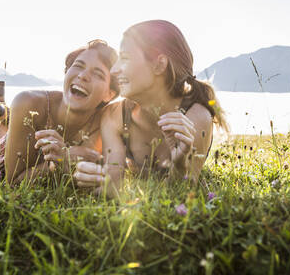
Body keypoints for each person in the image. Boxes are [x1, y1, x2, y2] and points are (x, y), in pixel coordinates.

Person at [73, 20, 228, 196]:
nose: (114, 70)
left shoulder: (195, 117)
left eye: (124, 58)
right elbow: (112, 186)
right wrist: (89, 179)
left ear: (159, 64)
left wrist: (179, 166)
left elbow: (182, 195)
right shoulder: (115, 116)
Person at [0, 40, 119, 184]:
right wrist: (61, 161)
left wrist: (69, 158)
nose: (82, 75)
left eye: (98, 74)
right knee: (4, 143)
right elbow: (13, 181)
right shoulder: (28, 102)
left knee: (9, 131)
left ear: (110, 94)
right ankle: (0, 112)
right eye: (78, 66)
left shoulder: (107, 122)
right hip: (16, 143)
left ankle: (0, 109)